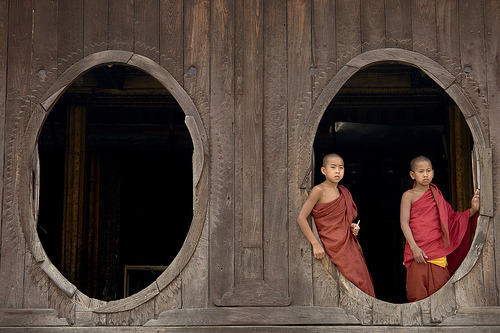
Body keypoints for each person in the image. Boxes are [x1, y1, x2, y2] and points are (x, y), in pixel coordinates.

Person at [400, 155, 480, 302]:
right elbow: (404, 223)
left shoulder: (437, 195)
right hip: (417, 252)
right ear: (412, 175)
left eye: (428, 171)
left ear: (433, 172)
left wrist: (473, 210)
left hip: (437, 252)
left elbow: (451, 219)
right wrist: (414, 248)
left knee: (441, 297)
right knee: (417, 296)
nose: (425, 174)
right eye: (421, 171)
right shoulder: (408, 196)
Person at [297, 153, 375, 297]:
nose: (338, 171)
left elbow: (344, 221)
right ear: (323, 171)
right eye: (333, 167)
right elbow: (301, 218)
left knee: (360, 279)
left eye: (341, 168)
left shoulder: (343, 192)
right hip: (332, 245)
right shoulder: (318, 190)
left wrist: (352, 227)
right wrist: (315, 244)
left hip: (348, 244)